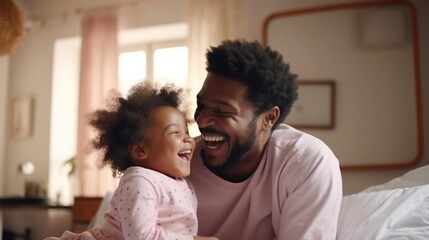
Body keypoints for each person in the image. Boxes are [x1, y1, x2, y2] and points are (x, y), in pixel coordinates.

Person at [187, 39, 343, 240]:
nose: (202, 120)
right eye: (201, 105)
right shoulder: (176, 165)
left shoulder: (304, 163)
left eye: (222, 111)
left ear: (268, 118)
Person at [46, 82, 218, 240]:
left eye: (186, 132)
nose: (188, 139)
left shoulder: (182, 184)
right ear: (140, 150)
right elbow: (141, 237)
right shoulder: (140, 181)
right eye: (175, 133)